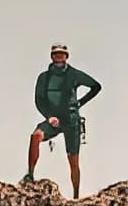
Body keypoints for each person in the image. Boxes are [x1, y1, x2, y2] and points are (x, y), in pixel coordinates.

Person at [23, 43, 101, 197]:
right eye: (56, 54)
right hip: (54, 119)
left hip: (71, 120)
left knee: (73, 161)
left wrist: (80, 103)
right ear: (52, 56)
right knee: (36, 136)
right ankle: (30, 176)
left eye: (62, 54)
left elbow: (96, 86)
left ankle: (76, 196)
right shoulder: (44, 77)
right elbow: (39, 99)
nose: (59, 57)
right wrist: (49, 116)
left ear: (66, 56)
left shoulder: (74, 74)